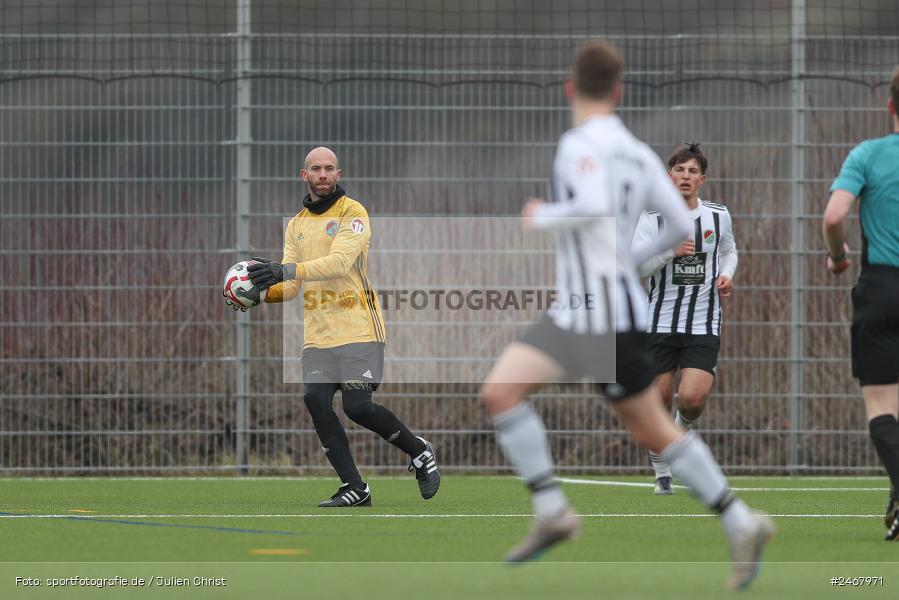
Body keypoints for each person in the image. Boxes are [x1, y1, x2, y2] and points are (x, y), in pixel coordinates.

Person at [478, 40, 774, 590]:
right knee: (655, 428)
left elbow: (589, 204)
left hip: (588, 310)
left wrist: (546, 216)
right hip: (617, 309)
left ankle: (551, 508)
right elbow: (680, 229)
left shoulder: (577, 143)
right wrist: (626, 262)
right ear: (618, 91)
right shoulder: (637, 151)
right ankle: (740, 519)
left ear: (570, 88)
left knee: (501, 393)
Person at [229, 146, 440, 507]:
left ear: (338, 175)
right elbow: (292, 286)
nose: (323, 174)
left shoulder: (352, 213)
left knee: (357, 406)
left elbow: (340, 263)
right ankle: (355, 487)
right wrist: (258, 295)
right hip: (319, 336)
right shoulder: (296, 225)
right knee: (315, 399)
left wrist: (285, 270)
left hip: (360, 328)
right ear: (304, 175)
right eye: (316, 169)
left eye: (329, 169)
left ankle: (419, 451)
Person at [631, 142, 738, 495]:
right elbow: (636, 266)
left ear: (702, 179)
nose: (685, 177)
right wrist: (668, 251)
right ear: (668, 176)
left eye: (692, 172)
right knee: (659, 401)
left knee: (692, 400)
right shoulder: (652, 220)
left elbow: (728, 251)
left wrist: (727, 274)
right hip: (659, 320)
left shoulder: (718, 216)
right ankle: (662, 467)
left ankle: (675, 440)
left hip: (703, 321)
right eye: (679, 170)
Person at [824, 65, 899, 540]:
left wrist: (837, 258)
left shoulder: (869, 154)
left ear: (890, 105)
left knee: (882, 405)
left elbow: (833, 216)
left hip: (882, 289)